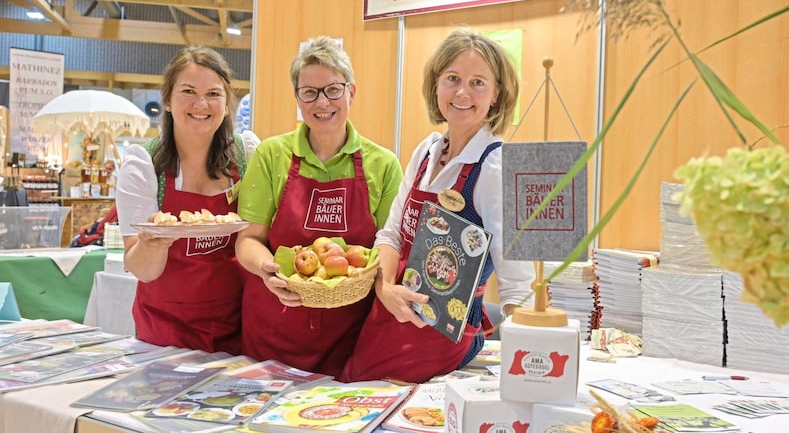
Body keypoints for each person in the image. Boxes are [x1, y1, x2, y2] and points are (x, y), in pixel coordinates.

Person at [341, 28, 536, 383]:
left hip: (440, 337)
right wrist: (384, 288)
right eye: (452, 78)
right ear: (436, 85)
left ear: (496, 95)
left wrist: (533, 369)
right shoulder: (426, 151)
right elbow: (391, 235)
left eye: (478, 82)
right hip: (385, 316)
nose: (462, 92)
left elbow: (517, 286)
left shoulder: (498, 168)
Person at [235, 36, 403, 378]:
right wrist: (268, 269)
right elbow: (247, 239)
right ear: (298, 98)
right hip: (276, 324)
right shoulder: (271, 155)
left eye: (333, 89)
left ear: (351, 92)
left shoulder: (382, 164)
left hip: (350, 333)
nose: (321, 101)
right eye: (309, 92)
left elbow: (391, 243)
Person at [116, 45, 258, 354]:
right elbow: (142, 269)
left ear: (227, 102)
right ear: (167, 100)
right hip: (165, 330)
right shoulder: (144, 164)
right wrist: (153, 243)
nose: (201, 103)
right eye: (188, 91)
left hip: (236, 324)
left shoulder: (246, 155)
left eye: (213, 94)